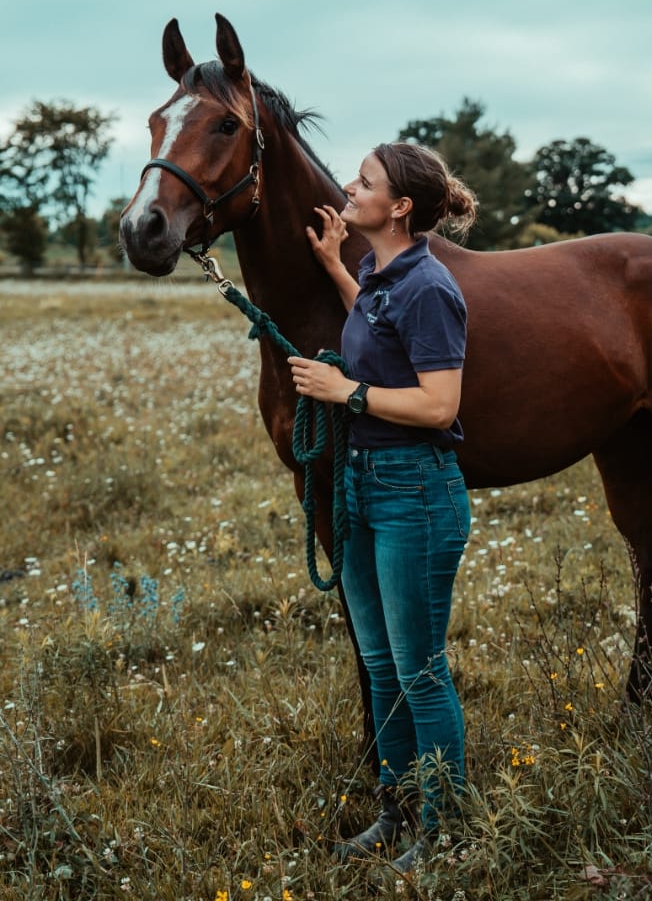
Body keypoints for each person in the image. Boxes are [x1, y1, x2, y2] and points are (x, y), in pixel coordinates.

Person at [288, 141, 478, 873]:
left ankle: (445, 827)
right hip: (363, 485)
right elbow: (373, 321)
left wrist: (348, 394)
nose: (348, 188)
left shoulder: (431, 287)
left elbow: (439, 405)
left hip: (414, 494)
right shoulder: (380, 273)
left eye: (363, 183)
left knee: (421, 671)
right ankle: (396, 814)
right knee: (381, 665)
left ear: (399, 207)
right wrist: (338, 266)